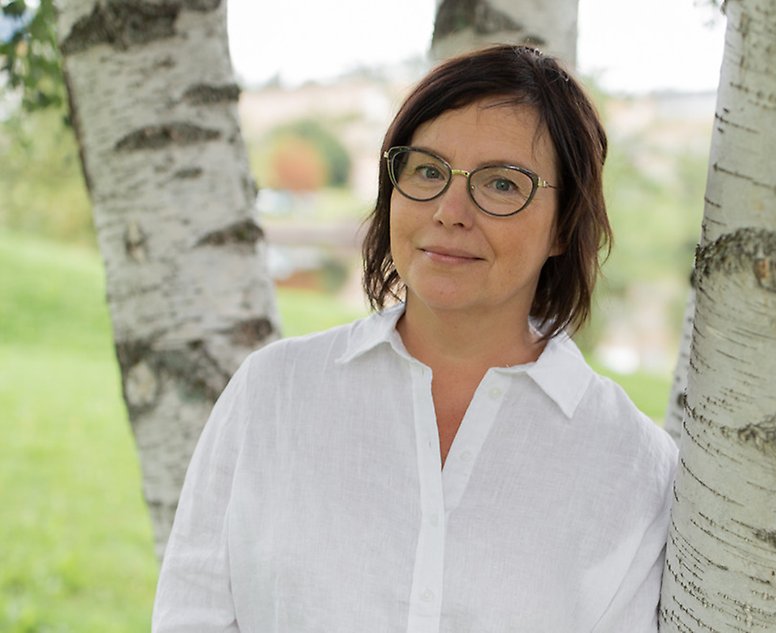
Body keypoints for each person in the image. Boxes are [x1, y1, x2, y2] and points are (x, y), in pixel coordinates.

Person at [152, 44, 678, 632]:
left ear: (564, 226)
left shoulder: (633, 467)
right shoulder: (272, 395)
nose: (451, 211)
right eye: (427, 171)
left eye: (503, 184)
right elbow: (191, 615)